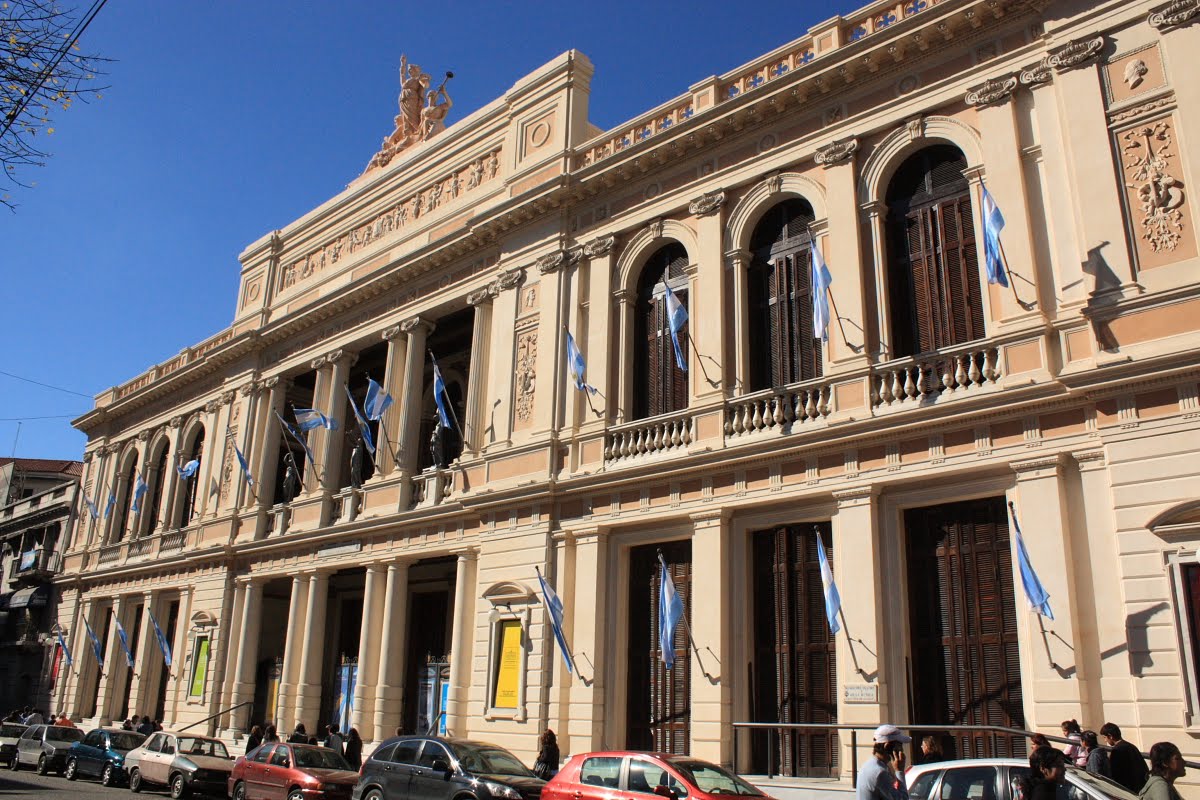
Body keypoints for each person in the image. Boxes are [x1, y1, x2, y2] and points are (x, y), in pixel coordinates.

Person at [857, 724, 910, 800]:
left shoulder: (868, 765)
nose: (901, 750)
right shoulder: (880, 772)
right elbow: (903, 798)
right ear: (887, 746)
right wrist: (900, 771)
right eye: (899, 745)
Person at [1102, 722, 1150, 793]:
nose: (1105, 740)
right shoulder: (1132, 747)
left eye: (1105, 737)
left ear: (1110, 736)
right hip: (1140, 788)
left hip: (1127, 791)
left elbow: (1116, 774)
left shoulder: (1117, 750)